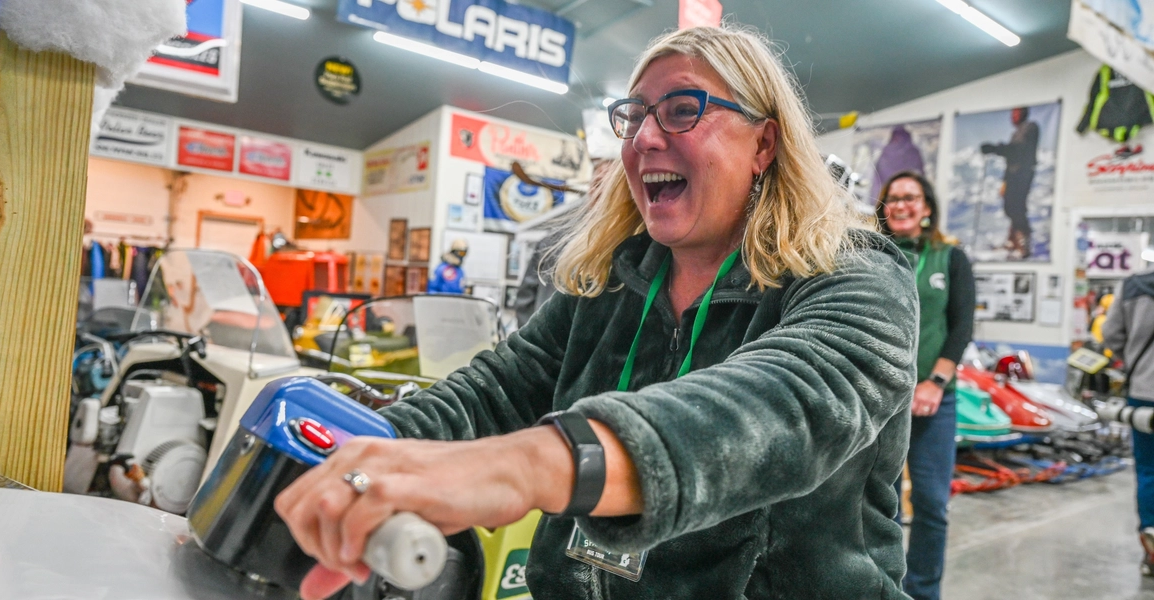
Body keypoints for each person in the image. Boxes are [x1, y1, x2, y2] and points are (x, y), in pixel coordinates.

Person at [275, 24, 919, 600]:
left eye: (681, 110)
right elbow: (495, 390)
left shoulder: (857, 275)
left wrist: (528, 465)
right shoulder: (613, 280)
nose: (642, 137)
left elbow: (785, 407)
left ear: (764, 144)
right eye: (633, 116)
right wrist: (354, 458)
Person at [875, 171, 975, 600]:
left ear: (927, 207)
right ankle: (884, 588)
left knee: (932, 504)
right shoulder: (870, 255)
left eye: (910, 198)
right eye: (892, 198)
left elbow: (962, 326)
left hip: (936, 401)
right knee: (881, 508)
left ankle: (924, 592)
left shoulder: (950, 258)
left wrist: (935, 382)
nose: (900, 205)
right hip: (880, 403)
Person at [1102, 269, 1154, 575]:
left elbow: (1111, 334)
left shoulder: (1133, 286)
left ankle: (1151, 545)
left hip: (1144, 392)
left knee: (1148, 469)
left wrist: (1135, 358)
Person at [980, 107, 1039, 259]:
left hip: (1022, 174)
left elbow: (1017, 151)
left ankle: (1023, 244)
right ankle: (1013, 241)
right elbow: (1012, 155)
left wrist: (995, 149)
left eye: (1016, 113)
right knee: (1011, 207)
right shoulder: (1017, 132)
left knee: (1016, 207)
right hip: (1013, 175)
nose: (1013, 116)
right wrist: (1005, 181)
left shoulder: (1030, 128)